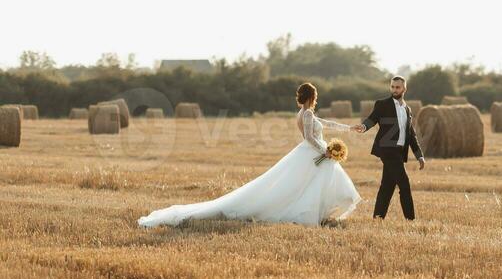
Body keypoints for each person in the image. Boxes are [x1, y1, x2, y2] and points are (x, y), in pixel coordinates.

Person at [138, 82, 360, 229]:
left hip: (310, 154)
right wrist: (325, 151)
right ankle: (305, 214)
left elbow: (325, 124)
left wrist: (347, 128)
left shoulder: (303, 112)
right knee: (305, 185)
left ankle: (314, 214)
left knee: (304, 185)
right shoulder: (308, 113)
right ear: (313, 96)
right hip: (312, 152)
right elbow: (311, 138)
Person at [355, 75, 426, 221]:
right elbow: (372, 119)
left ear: (404, 88)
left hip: (399, 152)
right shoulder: (383, 104)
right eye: (392, 87)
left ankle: (378, 218)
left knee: (387, 187)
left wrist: (419, 155)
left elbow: (411, 134)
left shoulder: (407, 109)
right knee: (404, 185)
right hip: (387, 150)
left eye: (397, 87)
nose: (394, 89)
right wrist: (364, 126)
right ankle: (411, 220)